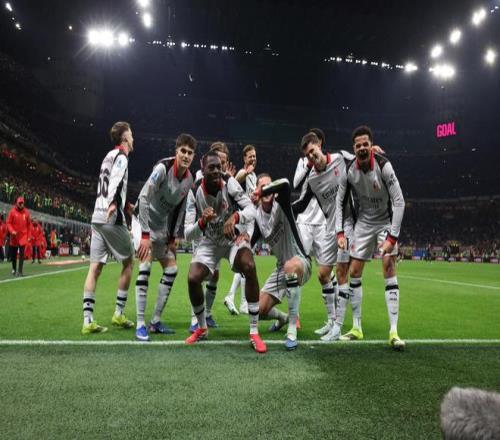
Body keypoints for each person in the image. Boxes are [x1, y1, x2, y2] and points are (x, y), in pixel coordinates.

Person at [184, 151, 266, 353]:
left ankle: (254, 331)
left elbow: (251, 210)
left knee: (249, 265)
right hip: (209, 242)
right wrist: (202, 221)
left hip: (231, 239)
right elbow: (187, 234)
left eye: (219, 167)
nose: (216, 171)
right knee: (193, 278)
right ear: (202, 169)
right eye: (211, 167)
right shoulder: (194, 191)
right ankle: (202, 327)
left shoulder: (229, 183)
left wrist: (236, 217)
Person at [336, 125, 405, 349]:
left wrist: (392, 238)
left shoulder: (384, 166)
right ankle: (357, 328)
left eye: (366, 144)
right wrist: (339, 232)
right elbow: (339, 202)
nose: (362, 148)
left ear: (371, 146)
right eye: (358, 145)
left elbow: (399, 201)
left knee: (388, 266)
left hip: (385, 221)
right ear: (354, 148)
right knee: (354, 272)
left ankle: (393, 331)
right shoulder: (349, 170)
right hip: (364, 223)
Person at [132, 133, 196, 341]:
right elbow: (143, 198)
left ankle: (155, 321)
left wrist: (172, 236)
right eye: (183, 151)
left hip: (160, 227)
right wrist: (144, 234)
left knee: (172, 268)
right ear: (176, 152)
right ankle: (140, 324)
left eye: (190, 153)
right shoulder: (162, 169)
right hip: (142, 221)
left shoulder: (189, 179)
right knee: (145, 266)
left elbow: (180, 209)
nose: (186, 156)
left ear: (193, 156)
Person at [292, 132, 356, 341]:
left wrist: (374, 154)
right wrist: (279, 204)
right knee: (322, 275)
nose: (312, 157)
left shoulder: (341, 158)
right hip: (330, 227)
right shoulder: (311, 179)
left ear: (319, 145)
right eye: (308, 155)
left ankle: (338, 327)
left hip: (347, 223)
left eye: (313, 151)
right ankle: (330, 321)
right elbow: (301, 204)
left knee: (342, 272)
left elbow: (360, 161)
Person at [81, 121, 135, 335]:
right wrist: (114, 203)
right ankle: (119, 313)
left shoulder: (108, 156)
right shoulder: (122, 156)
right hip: (111, 216)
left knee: (94, 267)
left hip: (97, 215)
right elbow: (116, 181)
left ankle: (87, 321)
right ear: (125, 138)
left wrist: (123, 202)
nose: (133, 138)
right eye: (131, 134)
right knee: (129, 262)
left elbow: (109, 183)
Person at [251, 175, 311, 350]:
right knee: (257, 310)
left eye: (268, 186)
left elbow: (284, 183)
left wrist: (262, 190)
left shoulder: (281, 202)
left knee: (290, 266)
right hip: (280, 269)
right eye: (262, 186)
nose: (266, 189)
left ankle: (292, 326)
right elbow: (249, 244)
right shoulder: (257, 218)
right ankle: (283, 318)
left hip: (300, 262)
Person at [189, 141, 235, 332]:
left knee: (215, 274)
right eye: (218, 161)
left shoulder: (225, 179)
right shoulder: (201, 178)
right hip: (202, 234)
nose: (220, 167)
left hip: (218, 235)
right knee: (197, 275)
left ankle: (206, 314)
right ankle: (195, 320)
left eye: (223, 163)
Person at [224, 144, 258, 315]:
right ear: (244, 158)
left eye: (254, 156)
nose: (253, 158)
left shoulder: (254, 176)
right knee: (245, 261)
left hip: (251, 221)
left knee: (246, 262)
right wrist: (245, 172)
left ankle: (236, 298)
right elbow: (234, 182)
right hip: (242, 222)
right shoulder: (243, 173)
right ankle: (238, 300)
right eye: (250, 156)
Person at [6, 197, 31, 276]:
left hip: (23, 236)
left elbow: (29, 225)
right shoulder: (12, 212)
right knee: (14, 254)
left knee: (22, 254)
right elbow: (8, 223)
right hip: (14, 236)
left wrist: (29, 236)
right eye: (20, 203)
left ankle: (20, 271)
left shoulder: (26, 213)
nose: (21, 204)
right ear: (16, 203)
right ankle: (14, 269)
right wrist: (12, 231)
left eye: (22, 203)